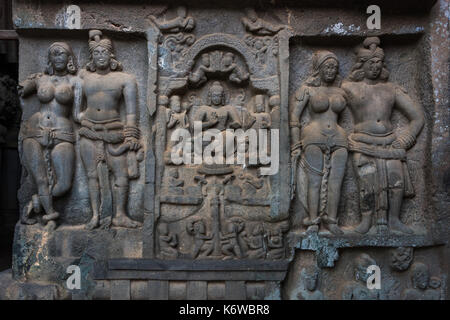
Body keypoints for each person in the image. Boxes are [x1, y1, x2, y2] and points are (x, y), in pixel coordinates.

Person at [342, 37, 424, 234]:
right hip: (361, 141)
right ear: (362, 65)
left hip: (390, 141)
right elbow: (330, 106)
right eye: (371, 63)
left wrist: (406, 138)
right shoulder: (349, 88)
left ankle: (394, 220)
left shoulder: (391, 89)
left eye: (379, 63)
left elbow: (417, 117)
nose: (375, 67)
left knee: (396, 183)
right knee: (366, 184)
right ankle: (365, 222)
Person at [74, 30, 142, 229]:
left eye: (104, 52)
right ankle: (95, 215)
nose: (101, 56)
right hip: (89, 131)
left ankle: (120, 214)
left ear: (111, 55)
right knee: (92, 176)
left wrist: (131, 135)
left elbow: (131, 113)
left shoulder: (125, 79)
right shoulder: (82, 76)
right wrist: (83, 119)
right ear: (91, 56)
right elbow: (76, 110)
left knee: (121, 175)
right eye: (97, 53)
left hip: (114, 132)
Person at [19, 42, 77, 227]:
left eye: (62, 54)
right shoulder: (40, 79)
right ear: (49, 59)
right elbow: (21, 92)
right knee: (41, 179)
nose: (58, 57)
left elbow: (77, 114)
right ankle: (50, 215)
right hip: (35, 130)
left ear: (69, 58)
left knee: (64, 184)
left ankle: (37, 201)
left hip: (63, 133)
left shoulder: (76, 81)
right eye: (54, 54)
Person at [290, 50, 347, 235]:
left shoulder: (342, 91)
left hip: (339, 138)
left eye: (334, 67)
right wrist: (296, 143)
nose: (331, 70)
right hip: (313, 136)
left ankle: (332, 220)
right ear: (319, 69)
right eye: (327, 67)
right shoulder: (307, 90)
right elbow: (294, 117)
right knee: (314, 181)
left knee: (336, 182)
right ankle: (313, 221)